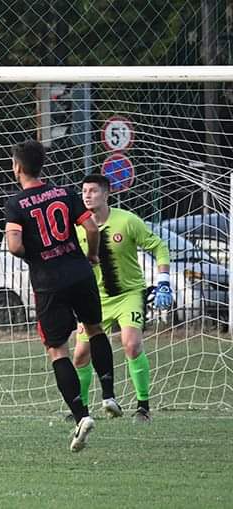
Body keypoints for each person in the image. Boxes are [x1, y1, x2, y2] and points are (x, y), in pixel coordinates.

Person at [4, 140, 116, 452]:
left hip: (48, 282)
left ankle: (82, 416)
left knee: (57, 349)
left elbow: (13, 246)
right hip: (80, 273)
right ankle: (109, 393)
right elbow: (92, 229)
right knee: (94, 329)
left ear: (17, 167)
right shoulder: (65, 192)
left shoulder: (16, 203)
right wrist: (91, 257)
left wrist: (34, 255)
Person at [74, 173, 171, 423]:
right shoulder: (77, 227)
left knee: (131, 344)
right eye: (84, 190)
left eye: (93, 190)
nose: (87, 195)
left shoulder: (127, 221)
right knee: (80, 355)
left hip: (129, 294)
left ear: (107, 194)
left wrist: (163, 282)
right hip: (94, 298)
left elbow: (159, 246)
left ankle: (143, 406)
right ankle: (81, 409)